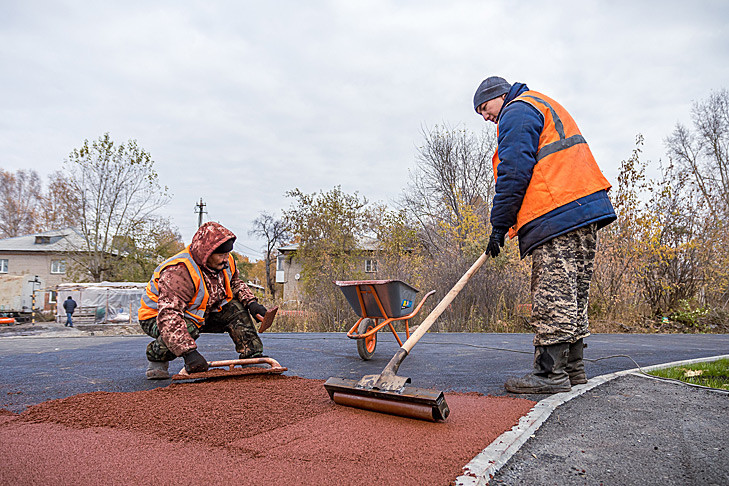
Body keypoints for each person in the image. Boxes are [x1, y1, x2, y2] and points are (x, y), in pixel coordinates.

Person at [473, 76, 616, 393]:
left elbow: (514, 170)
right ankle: (573, 370)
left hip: (558, 212)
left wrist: (499, 225)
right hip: (584, 209)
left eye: (484, 108)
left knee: (553, 295)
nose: (485, 116)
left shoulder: (517, 110)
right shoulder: (542, 103)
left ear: (500, 96)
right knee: (574, 293)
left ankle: (549, 375)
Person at [138, 222, 268, 380]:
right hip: (157, 316)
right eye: (220, 255)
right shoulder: (179, 271)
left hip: (198, 312)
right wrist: (189, 353)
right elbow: (169, 316)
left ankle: (252, 357)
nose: (226, 259)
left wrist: (251, 303)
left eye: (227, 254)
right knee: (189, 327)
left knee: (234, 308)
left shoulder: (227, 262)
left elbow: (234, 282)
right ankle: (156, 356)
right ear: (206, 253)